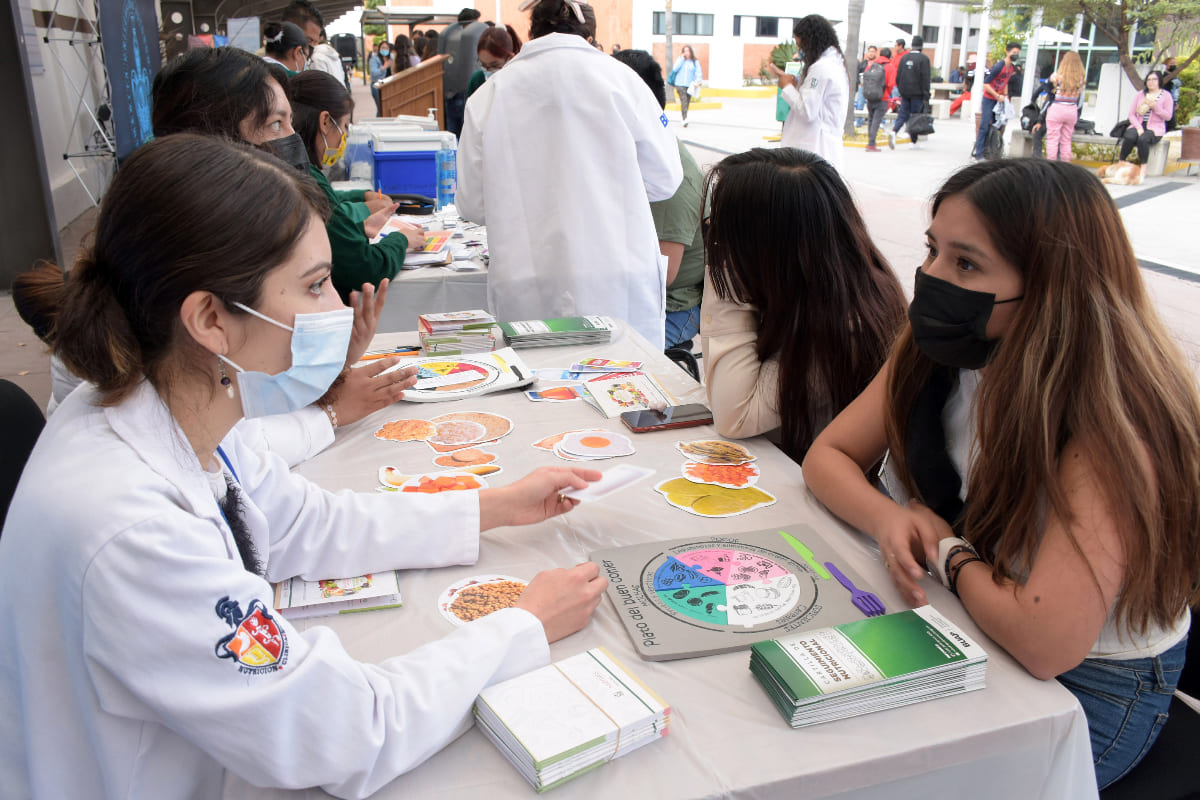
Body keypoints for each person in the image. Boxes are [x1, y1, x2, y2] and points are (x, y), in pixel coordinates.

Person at [0, 134, 609, 797]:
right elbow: (343, 733)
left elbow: (295, 524)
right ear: (210, 319)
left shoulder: (177, 401)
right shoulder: (129, 526)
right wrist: (522, 625)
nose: (341, 311)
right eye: (316, 287)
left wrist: (495, 506)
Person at [802, 158, 1198, 791]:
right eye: (932, 250)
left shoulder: (1110, 421)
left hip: (1087, 687)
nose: (929, 277)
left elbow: (1045, 644)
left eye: (965, 263)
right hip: (960, 617)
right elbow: (828, 457)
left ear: (1051, 286)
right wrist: (891, 516)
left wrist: (942, 548)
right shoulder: (942, 347)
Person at [458, 0, 682, 349]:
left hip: (528, 277)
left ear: (531, 31)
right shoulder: (624, 82)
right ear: (589, 35)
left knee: (543, 393)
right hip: (616, 272)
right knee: (620, 387)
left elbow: (472, 205)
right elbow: (665, 179)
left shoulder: (490, 95)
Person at [701, 148, 905, 463]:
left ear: (767, 242)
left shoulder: (846, 326)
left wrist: (724, 276)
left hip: (803, 492)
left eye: (724, 226)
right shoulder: (800, 288)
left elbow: (735, 415)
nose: (712, 230)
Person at [289, 70, 428, 301]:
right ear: (325, 121)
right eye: (343, 126)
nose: (343, 136)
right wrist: (401, 239)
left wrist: (356, 223)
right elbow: (366, 268)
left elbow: (333, 213)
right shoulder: (305, 178)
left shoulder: (304, 171)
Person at [614, 49, 705, 350]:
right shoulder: (639, 153)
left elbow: (661, 277)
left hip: (673, 308)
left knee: (599, 359)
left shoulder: (671, 174)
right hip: (641, 297)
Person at [766, 14, 849, 173]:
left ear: (810, 42)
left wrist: (787, 87)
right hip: (819, 149)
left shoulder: (821, 68)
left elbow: (807, 110)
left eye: (800, 45)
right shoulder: (834, 64)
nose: (800, 51)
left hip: (815, 149)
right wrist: (795, 87)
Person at [440, 8, 488, 136]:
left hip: (449, 93)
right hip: (466, 93)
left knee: (453, 132)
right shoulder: (471, 38)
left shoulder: (450, 35)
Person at [1119, 70, 1174, 179]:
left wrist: (1155, 107)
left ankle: (1143, 166)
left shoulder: (1166, 96)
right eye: (1148, 79)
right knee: (1130, 137)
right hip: (1138, 124)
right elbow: (1131, 114)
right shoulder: (1140, 95)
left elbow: (1168, 116)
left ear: (1159, 81)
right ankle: (1121, 161)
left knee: (1143, 139)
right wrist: (1138, 127)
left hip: (1155, 128)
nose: (1151, 82)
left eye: (1154, 79)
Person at [973, 42, 1021, 160]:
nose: (1015, 55)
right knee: (984, 125)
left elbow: (1005, 82)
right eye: (1014, 52)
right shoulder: (999, 66)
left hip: (999, 100)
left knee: (997, 125)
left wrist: (1005, 95)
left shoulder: (1011, 68)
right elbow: (986, 84)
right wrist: (996, 95)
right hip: (989, 99)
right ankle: (979, 153)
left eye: (1017, 53)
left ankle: (991, 150)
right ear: (1007, 52)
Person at [889, 34, 931, 148]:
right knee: (915, 115)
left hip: (905, 92)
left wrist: (901, 89)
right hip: (917, 93)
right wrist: (926, 94)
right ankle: (912, 140)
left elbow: (898, 76)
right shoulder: (924, 59)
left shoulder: (904, 58)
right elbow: (925, 78)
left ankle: (894, 131)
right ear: (921, 46)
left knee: (903, 113)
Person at [1042, 51, 1085, 161]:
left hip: (1057, 109)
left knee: (1052, 139)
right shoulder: (1080, 79)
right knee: (1066, 140)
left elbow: (1048, 85)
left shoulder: (1057, 76)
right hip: (1072, 110)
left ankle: (1051, 164)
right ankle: (1065, 164)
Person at [467, 24, 522, 97]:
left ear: (510, 58)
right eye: (483, 65)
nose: (488, 71)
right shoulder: (476, 80)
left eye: (494, 65)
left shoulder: (519, 81)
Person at [862, 47, 891, 152]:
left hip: (870, 97)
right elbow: (890, 84)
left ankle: (870, 142)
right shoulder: (889, 67)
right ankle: (871, 144)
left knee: (871, 119)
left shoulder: (871, 65)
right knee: (876, 121)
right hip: (882, 97)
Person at [669, 45, 703, 127]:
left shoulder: (694, 62)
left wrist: (699, 81)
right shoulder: (681, 60)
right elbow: (675, 69)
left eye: (688, 51)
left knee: (687, 102)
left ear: (691, 52)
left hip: (690, 85)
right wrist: (681, 58)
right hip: (680, 84)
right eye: (685, 51)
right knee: (683, 101)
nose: (686, 53)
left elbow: (698, 72)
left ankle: (684, 116)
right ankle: (684, 118)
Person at [368, 39, 390, 115]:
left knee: (387, 109)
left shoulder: (391, 58)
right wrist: (383, 68)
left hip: (388, 86)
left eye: (386, 48)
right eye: (383, 48)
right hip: (377, 86)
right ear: (379, 48)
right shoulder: (374, 59)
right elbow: (373, 73)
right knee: (381, 109)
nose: (385, 50)